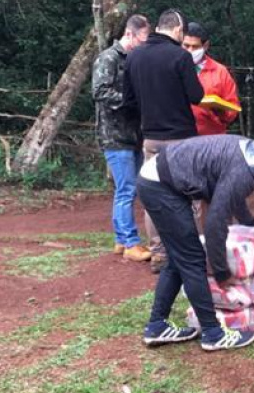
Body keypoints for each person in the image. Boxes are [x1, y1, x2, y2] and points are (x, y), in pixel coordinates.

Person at [136, 135, 254, 351]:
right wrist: (222, 272)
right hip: (160, 185)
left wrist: (252, 226)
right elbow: (214, 224)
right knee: (192, 258)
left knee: (179, 256)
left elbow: (231, 197)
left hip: (160, 180)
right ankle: (212, 332)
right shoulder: (246, 169)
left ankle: (157, 325)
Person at [123, 9, 204, 272]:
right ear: (178, 30)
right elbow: (196, 96)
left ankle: (158, 253)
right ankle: (190, 251)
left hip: (152, 139)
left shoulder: (134, 57)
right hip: (182, 140)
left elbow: (128, 102)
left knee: (155, 198)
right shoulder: (181, 56)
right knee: (190, 197)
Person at [92, 14, 152, 262]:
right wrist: (129, 99)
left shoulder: (135, 60)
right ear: (130, 34)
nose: (145, 44)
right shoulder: (108, 58)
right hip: (114, 135)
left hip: (134, 134)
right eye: (143, 39)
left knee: (129, 189)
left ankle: (120, 239)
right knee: (126, 189)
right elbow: (99, 91)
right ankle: (130, 243)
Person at [182, 22, 240, 136]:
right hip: (179, 137)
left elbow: (233, 109)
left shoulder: (220, 72)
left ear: (205, 45)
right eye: (186, 45)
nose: (190, 50)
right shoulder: (172, 67)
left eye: (195, 46)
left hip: (211, 139)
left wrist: (220, 111)